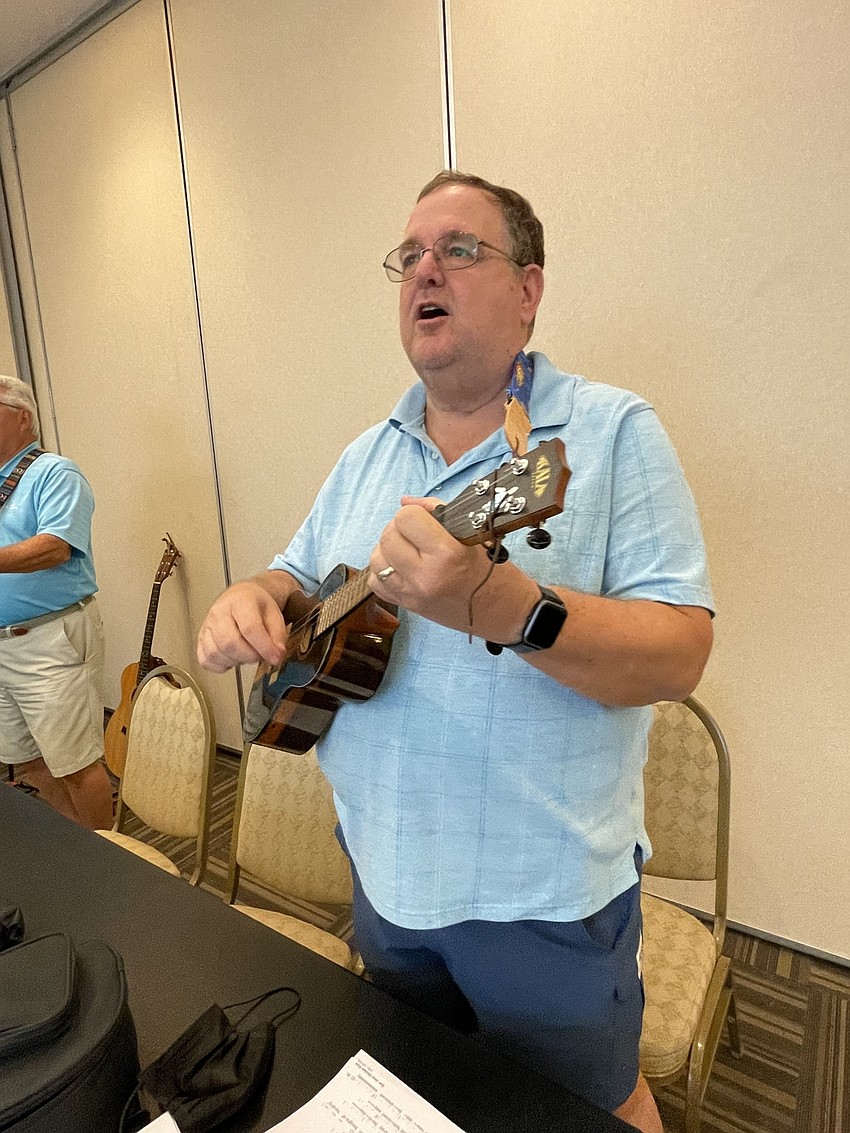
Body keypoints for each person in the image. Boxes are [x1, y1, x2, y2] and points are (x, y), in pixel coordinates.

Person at [197, 171, 714, 1131]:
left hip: (543, 897)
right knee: (424, 1095)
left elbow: (681, 652)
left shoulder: (609, 433)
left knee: (589, 1108)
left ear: (529, 290)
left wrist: (511, 609)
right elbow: (293, 572)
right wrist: (251, 597)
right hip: (384, 875)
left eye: (459, 249)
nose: (424, 270)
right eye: (409, 256)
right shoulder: (366, 453)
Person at [0, 374, 113, 830]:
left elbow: (56, 546)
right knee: (28, 762)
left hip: (49, 640)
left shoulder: (55, 473)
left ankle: (110, 866)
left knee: (77, 764)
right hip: (5, 647)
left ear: (21, 416)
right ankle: (78, 852)